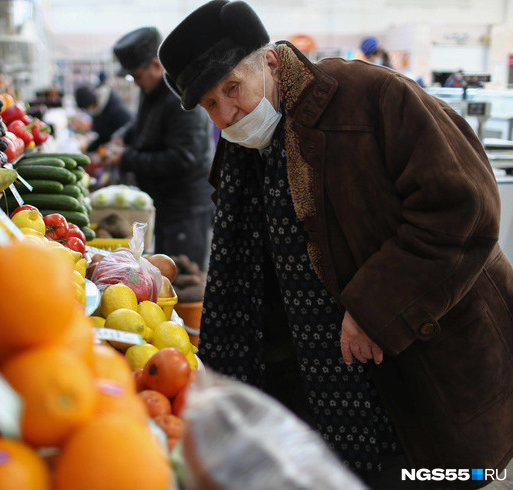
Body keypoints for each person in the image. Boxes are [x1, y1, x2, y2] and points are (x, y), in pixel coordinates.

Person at [158, 1, 513, 487]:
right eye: (209, 105)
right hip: (327, 394)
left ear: (271, 61)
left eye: (232, 89)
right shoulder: (244, 154)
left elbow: (465, 207)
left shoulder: (374, 97)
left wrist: (376, 307)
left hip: (425, 378)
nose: (226, 114)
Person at [108, 26, 215, 270]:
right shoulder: (151, 89)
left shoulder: (181, 99)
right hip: (164, 202)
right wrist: (122, 136)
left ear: (156, 65)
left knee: (182, 278)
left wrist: (127, 159)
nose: (135, 84)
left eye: (136, 76)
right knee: (160, 270)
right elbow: (142, 123)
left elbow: (182, 158)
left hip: (184, 209)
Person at [74, 84, 132, 153]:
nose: (89, 111)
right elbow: (102, 136)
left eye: (87, 108)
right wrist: (89, 150)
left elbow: (128, 130)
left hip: (122, 151)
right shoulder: (99, 110)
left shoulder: (115, 109)